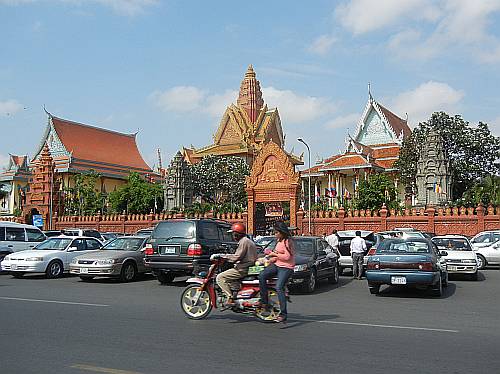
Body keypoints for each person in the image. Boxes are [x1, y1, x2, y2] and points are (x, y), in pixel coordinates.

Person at [258, 221, 295, 323]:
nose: (275, 234)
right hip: (277, 265)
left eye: (276, 232)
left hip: (287, 267)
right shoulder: (278, 241)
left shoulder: (288, 242)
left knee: (279, 287)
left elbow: (287, 257)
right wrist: (270, 258)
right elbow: (276, 256)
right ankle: (264, 301)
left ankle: (283, 314)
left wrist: (274, 254)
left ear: (281, 232)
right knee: (262, 276)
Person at [215, 223, 258, 306]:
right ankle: (235, 289)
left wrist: (222, 256)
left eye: (234, 234)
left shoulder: (244, 242)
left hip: (243, 268)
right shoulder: (246, 241)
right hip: (247, 266)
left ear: (237, 234)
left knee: (220, 277)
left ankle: (230, 298)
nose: (233, 236)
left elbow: (237, 257)